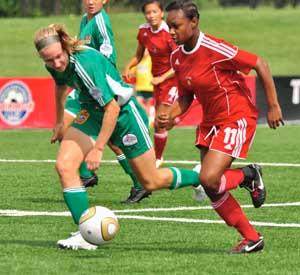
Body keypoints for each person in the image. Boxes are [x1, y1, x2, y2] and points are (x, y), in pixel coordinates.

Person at [34, 24, 206, 250]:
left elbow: (112, 109)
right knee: (65, 165)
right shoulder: (55, 64)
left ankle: (197, 177)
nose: (56, 63)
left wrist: (98, 148)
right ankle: (84, 233)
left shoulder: (85, 63)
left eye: (58, 57)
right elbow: (60, 86)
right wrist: (59, 122)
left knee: (150, 181)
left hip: (124, 115)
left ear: (65, 47)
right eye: (49, 60)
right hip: (92, 113)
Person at [160, 0, 284, 254]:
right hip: (210, 123)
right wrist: (170, 116)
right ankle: (251, 238)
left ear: (194, 22)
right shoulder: (176, 56)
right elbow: (185, 96)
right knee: (211, 186)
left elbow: (260, 63)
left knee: (208, 177)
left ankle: (248, 175)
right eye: (168, 27)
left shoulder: (214, 48)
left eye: (176, 26)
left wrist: (273, 106)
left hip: (235, 116)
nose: (171, 32)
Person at [60, 0, 152, 203]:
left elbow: (106, 56)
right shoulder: (86, 20)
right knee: (102, 137)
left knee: (106, 137)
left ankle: (135, 181)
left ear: (105, 0)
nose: (91, 1)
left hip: (98, 84)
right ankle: (88, 175)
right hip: (86, 84)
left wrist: (102, 82)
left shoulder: (101, 21)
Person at [123, 0, 178, 168]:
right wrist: (128, 67)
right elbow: (139, 55)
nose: (151, 15)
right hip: (157, 83)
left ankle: (157, 159)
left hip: (175, 80)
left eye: (155, 12)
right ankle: (175, 118)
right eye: (148, 12)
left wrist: (163, 78)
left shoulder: (170, 32)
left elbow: (180, 61)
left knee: (160, 121)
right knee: (164, 122)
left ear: (161, 13)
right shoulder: (144, 31)